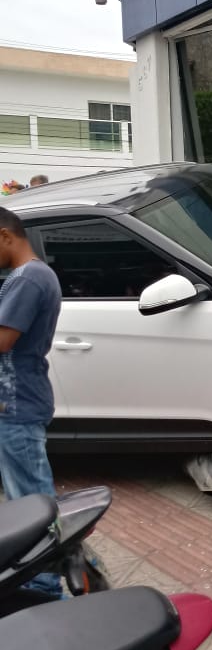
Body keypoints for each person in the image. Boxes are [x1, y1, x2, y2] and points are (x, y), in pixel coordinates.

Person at [0, 207, 62, 597]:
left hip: (18, 404)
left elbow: (2, 341)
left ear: (6, 236)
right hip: (15, 402)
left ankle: (44, 583)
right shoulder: (24, 277)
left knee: (32, 501)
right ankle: (37, 574)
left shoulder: (29, 279)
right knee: (25, 499)